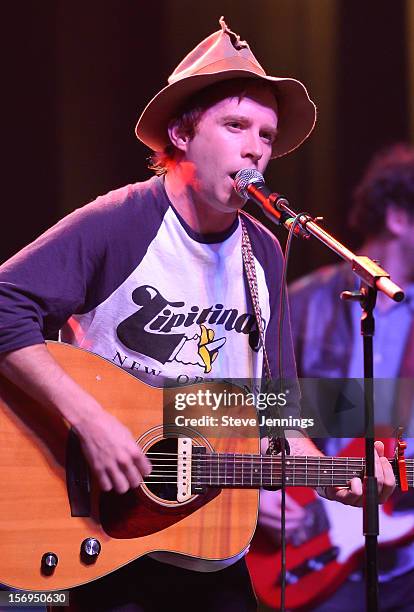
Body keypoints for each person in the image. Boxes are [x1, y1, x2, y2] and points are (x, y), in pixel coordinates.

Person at [0, 18, 395, 612]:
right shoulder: (121, 221)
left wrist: (336, 479)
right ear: (183, 134)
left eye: (266, 133)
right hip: (97, 525)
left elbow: (274, 410)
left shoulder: (262, 250)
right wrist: (92, 420)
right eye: (236, 124)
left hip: (205, 542)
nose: (255, 147)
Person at [254, 143, 414, 611]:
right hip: (312, 546)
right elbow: (255, 406)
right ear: (399, 219)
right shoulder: (300, 303)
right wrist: (260, 493)